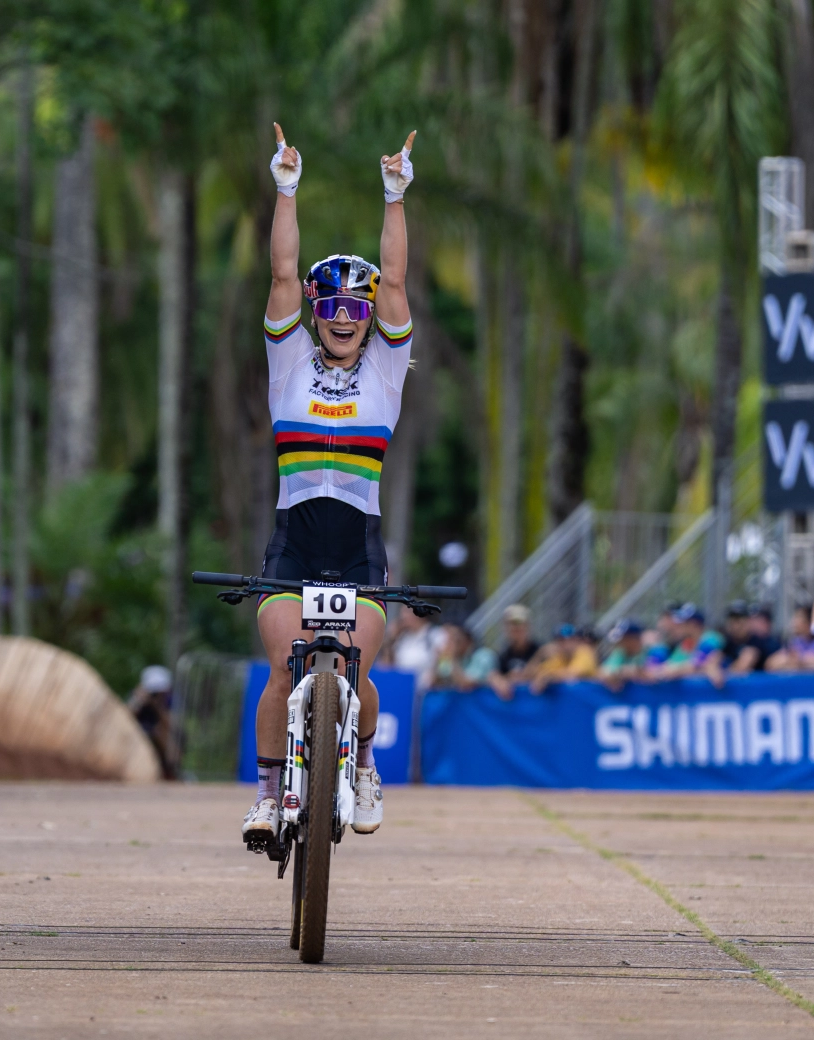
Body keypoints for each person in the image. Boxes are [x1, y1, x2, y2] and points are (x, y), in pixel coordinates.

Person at [244, 122, 419, 848]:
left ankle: (366, 764)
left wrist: (394, 196)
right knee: (285, 675)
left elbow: (398, 281)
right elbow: (283, 274)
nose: (348, 319)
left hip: (357, 550)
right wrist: (286, 189)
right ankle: (265, 794)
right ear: (318, 316)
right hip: (293, 544)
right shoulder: (289, 367)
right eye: (334, 308)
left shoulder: (385, 372)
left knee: (355, 674)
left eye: (358, 308)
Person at [648, 604, 723, 681]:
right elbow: (673, 663)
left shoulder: (711, 638)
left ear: (693, 624)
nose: (679, 626)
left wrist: (674, 670)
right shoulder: (686, 643)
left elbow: (698, 664)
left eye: (683, 623)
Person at [129, 664, 177, 780]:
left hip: (159, 733)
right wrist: (138, 702)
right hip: (138, 733)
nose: (156, 694)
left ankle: (170, 771)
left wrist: (158, 706)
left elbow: (172, 725)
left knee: (162, 734)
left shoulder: (169, 700)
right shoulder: (137, 697)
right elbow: (124, 719)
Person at [529, 624, 599, 692]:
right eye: (560, 640)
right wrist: (539, 654)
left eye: (570, 639)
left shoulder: (585, 651)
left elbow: (572, 673)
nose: (565, 644)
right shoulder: (559, 657)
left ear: (576, 641)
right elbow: (532, 673)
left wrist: (547, 677)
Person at [766, 606, 814, 672]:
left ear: (810, 622)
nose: (794, 622)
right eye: (795, 617)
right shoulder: (795, 643)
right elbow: (770, 664)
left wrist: (803, 661)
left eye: (799, 617)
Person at [430, 624, 500, 691]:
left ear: (467, 640)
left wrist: (453, 657)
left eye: (456, 640)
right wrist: (437, 658)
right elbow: (432, 683)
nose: (452, 644)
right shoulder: (456, 659)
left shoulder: (484, 656)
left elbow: (466, 685)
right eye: (449, 640)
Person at [599, 619, 647, 690]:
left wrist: (636, 672)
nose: (619, 643)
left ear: (634, 638)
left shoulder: (651, 651)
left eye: (623, 639)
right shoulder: (620, 653)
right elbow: (605, 673)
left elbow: (652, 675)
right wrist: (622, 673)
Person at [496, 604, 539, 679]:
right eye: (512, 627)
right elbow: (497, 676)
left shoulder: (539, 650)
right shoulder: (503, 655)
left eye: (520, 628)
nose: (516, 628)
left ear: (527, 626)